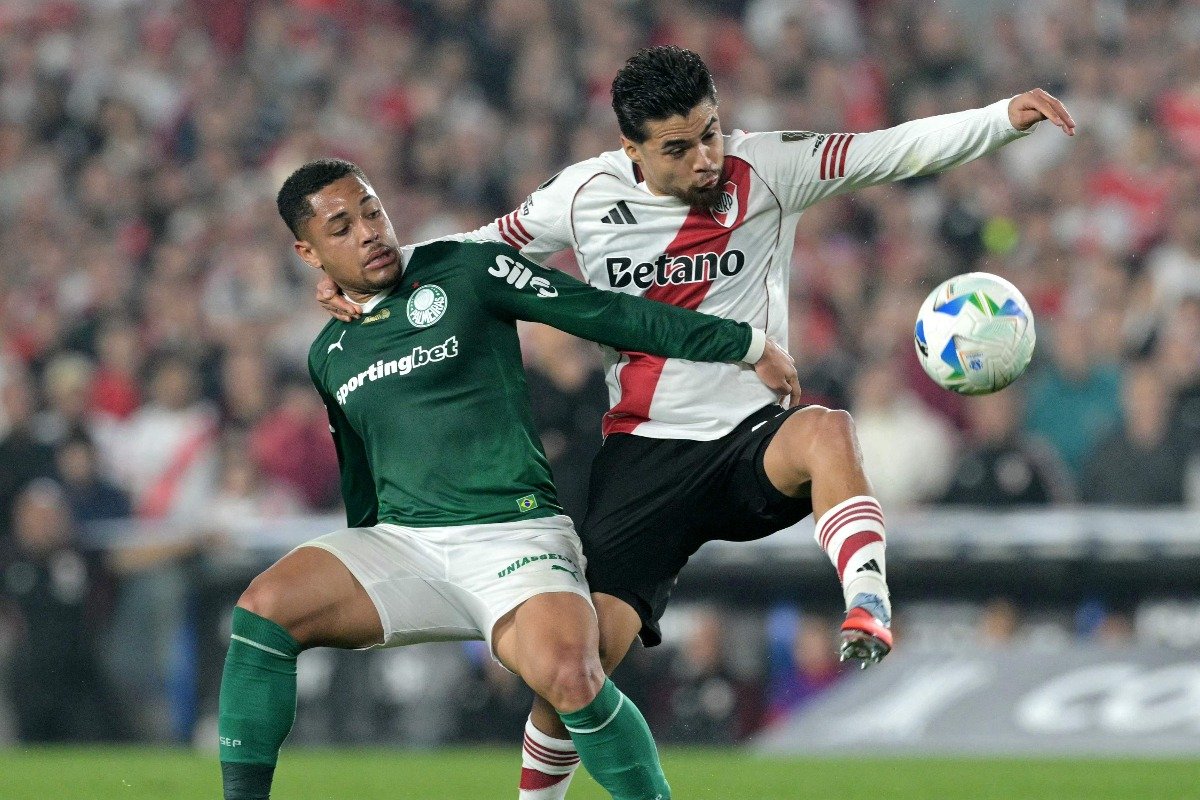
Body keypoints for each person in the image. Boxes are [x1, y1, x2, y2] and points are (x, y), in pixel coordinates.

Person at [317, 46, 1076, 799]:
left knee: (828, 430)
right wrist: (367, 276)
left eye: (710, 132)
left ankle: (869, 601)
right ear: (633, 151)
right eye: (678, 148)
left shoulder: (770, 167)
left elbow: (891, 149)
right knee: (579, 666)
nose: (705, 158)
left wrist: (1000, 119)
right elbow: (474, 249)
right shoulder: (583, 197)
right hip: (645, 455)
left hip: (751, 438)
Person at [217, 158, 796, 800]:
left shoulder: (467, 270)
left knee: (571, 677)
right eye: (342, 227)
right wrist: (368, 575)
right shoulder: (328, 352)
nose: (369, 232)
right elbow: (362, 479)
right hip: (406, 545)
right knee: (263, 609)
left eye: (373, 211)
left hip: (513, 536)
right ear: (308, 252)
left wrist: (740, 342)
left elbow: (604, 313)